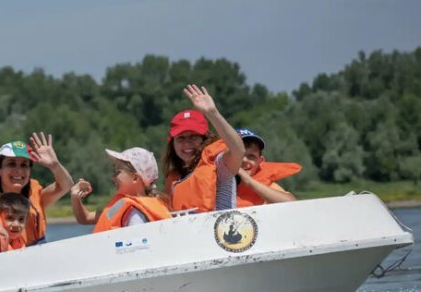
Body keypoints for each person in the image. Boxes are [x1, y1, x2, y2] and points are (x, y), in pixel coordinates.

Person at [0, 132, 73, 246]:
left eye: (24, 165)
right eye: (11, 164)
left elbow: (65, 186)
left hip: (35, 256)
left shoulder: (34, 193)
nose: (18, 170)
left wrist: (54, 165)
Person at [166, 84, 245, 212]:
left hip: (219, 231)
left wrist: (212, 113)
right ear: (172, 143)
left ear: (205, 139)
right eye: (181, 138)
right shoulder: (174, 178)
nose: (187, 143)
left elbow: (238, 151)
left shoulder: (219, 165)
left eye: (193, 137)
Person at [70, 147, 171, 231]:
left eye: (118, 172)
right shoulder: (123, 206)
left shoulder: (135, 214)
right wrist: (75, 197)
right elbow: (85, 218)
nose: (113, 177)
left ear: (135, 178)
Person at [235, 128, 300, 207]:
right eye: (239, 155)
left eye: (251, 156)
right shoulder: (217, 180)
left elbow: (293, 205)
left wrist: (249, 182)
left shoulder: (266, 184)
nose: (244, 160)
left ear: (261, 161)